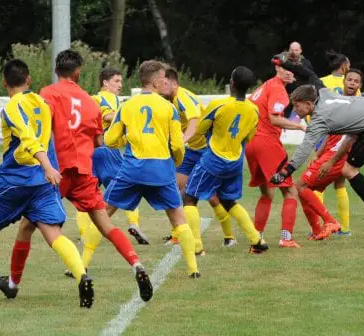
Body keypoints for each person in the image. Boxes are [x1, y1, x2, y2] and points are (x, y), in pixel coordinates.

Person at [0, 51, 153, 303]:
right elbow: (99, 141)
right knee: (106, 226)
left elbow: (39, 124)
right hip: (84, 170)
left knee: (27, 226)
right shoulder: (90, 101)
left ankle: (13, 283)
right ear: (78, 73)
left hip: (58, 171)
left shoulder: (49, 93)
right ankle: (137, 265)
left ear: (57, 70)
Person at [0, 59, 94, 308]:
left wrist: (47, 165)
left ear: (4, 83)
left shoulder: (12, 107)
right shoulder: (42, 103)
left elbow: (28, 139)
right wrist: (50, 168)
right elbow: (51, 137)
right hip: (42, 183)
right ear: (29, 80)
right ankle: (82, 275)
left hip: (14, 181)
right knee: (53, 233)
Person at [270, 56, 364, 235]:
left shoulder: (319, 119)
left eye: (297, 106)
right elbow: (308, 73)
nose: (295, 110)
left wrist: (284, 172)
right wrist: (284, 63)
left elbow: (304, 148)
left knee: (347, 171)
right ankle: (330, 225)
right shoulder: (322, 92)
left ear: (308, 104)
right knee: (343, 172)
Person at [103, 60, 201, 278]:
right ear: (156, 80)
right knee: (178, 218)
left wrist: (126, 139)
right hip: (161, 170)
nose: (166, 81)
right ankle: (193, 269)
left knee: (102, 213)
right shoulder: (168, 107)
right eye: (164, 77)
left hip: (133, 169)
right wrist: (174, 162)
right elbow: (177, 145)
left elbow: (110, 139)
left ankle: (82, 266)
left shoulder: (127, 105)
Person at [63, 68, 145, 279]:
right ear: (105, 83)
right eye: (116, 81)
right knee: (119, 193)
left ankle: (83, 243)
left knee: (88, 198)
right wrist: (130, 110)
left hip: (86, 154)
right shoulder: (107, 99)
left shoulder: (89, 99)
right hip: (106, 153)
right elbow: (107, 115)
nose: (120, 85)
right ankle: (134, 224)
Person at [182, 66, 270, 254]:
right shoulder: (254, 110)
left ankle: (197, 247)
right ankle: (257, 240)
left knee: (189, 198)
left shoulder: (218, 105)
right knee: (228, 200)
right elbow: (249, 137)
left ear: (231, 83)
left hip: (214, 159)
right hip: (235, 161)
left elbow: (201, 129)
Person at [164, 68, 235, 252]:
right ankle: (177, 233)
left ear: (173, 83)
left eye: (164, 83)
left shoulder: (182, 97)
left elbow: (195, 123)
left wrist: (181, 142)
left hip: (205, 149)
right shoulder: (169, 99)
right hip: (190, 150)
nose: (161, 87)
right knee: (177, 188)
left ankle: (229, 236)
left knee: (212, 196)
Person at [246, 54, 306, 248]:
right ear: (277, 69)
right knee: (290, 191)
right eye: (286, 68)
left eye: (293, 69)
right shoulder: (278, 90)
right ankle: (286, 238)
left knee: (267, 194)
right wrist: (300, 127)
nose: (291, 72)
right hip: (267, 144)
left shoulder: (265, 86)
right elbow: (274, 118)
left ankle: (257, 238)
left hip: (251, 144)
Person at [302, 69, 364, 237]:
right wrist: (318, 153)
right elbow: (329, 132)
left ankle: (322, 226)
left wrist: (331, 157)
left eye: (356, 81)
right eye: (349, 80)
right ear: (343, 82)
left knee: (310, 186)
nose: (352, 83)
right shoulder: (337, 102)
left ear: (360, 86)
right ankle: (344, 229)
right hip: (332, 150)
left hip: (339, 153)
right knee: (338, 185)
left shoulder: (358, 106)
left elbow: (354, 136)